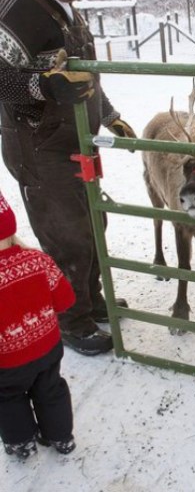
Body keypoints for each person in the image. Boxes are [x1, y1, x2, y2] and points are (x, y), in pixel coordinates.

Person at [0, 0, 136, 355]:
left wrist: (109, 112)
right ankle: (72, 321)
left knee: (93, 223)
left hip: (74, 141)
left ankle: (92, 301)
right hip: (37, 147)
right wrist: (43, 84)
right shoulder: (14, 8)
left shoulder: (65, 8)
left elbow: (83, 73)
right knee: (67, 235)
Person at [0, 190, 76, 459]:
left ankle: (21, 443)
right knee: (51, 389)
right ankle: (61, 437)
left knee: (8, 398)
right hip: (48, 348)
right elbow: (66, 299)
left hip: (7, 362)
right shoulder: (38, 260)